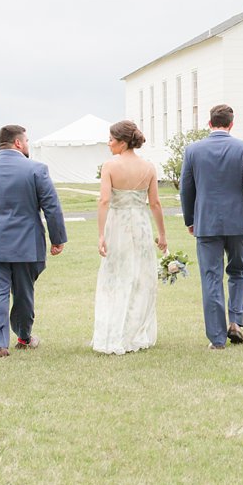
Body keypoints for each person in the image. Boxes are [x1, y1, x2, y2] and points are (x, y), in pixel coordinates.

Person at [0, 124, 68, 356]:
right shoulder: (37, 169)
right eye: (27, 141)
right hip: (26, 244)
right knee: (23, 292)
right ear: (19, 143)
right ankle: (23, 337)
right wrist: (57, 238)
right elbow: (52, 207)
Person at [179, 104, 243, 349]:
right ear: (231, 124)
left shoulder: (193, 150)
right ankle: (235, 321)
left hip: (206, 221)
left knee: (211, 277)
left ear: (210, 123)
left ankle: (217, 338)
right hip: (237, 222)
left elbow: (186, 188)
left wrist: (190, 219)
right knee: (238, 271)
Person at [92, 120, 166, 354]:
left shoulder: (110, 166)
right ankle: (135, 333)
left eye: (111, 139)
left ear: (123, 143)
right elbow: (154, 202)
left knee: (115, 278)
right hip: (141, 224)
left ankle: (115, 333)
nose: (109, 143)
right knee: (140, 278)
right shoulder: (149, 167)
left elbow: (104, 200)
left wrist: (101, 234)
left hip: (118, 225)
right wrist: (162, 234)